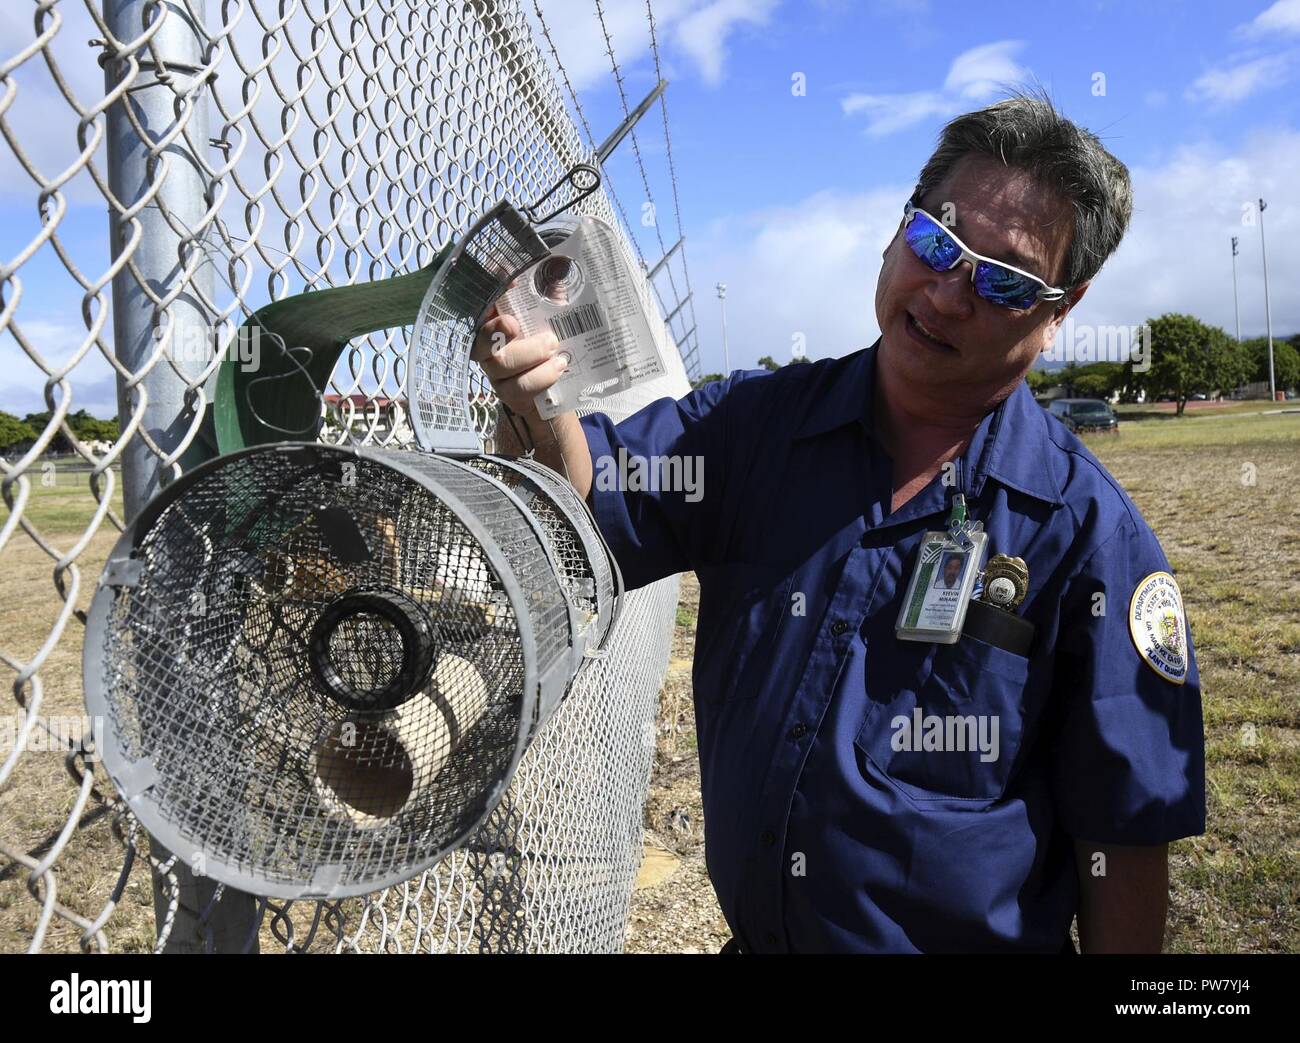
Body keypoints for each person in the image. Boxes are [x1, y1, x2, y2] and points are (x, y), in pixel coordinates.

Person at [471, 92, 1204, 954]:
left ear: (1061, 311)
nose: (947, 292)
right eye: (937, 241)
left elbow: (1123, 839)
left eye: (1003, 280)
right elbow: (588, 499)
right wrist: (533, 399)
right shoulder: (750, 431)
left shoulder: (1088, 537)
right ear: (899, 230)